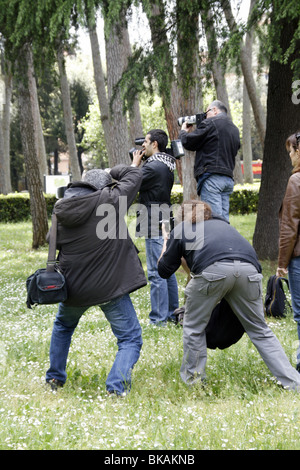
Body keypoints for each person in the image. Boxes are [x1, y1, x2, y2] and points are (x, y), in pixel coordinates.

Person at [157, 199, 300, 392]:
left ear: (183, 217)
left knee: (194, 328)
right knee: (260, 331)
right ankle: (294, 383)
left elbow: (164, 270)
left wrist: (166, 242)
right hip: (250, 270)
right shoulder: (223, 224)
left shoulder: (183, 229)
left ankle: (195, 383)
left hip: (213, 271)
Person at [45, 165, 147, 396]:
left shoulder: (62, 208)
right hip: (109, 286)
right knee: (130, 338)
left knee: (63, 327)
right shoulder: (110, 201)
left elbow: (51, 240)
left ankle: (54, 379)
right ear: (103, 187)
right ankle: (116, 387)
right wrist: (113, 169)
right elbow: (135, 174)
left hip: (74, 287)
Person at [132, 129, 179, 325]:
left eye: (146, 142)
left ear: (155, 145)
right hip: (164, 217)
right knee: (167, 268)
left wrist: (134, 165)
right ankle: (172, 314)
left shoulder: (153, 168)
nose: (142, 145)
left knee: (156, 271)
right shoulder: (166, 164)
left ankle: (159, 319)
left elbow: (131, 181)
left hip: (153, 220)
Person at [179, 100, 240, 221]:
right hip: (227, 179)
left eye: (206, 113)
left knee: (213, 220)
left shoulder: (211, 122)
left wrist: (183, 132)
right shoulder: (234, 129)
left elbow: (189, 142)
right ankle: (225, 240)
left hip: (212, 177)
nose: (205, 116)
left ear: (215, 110)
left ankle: (217, 240)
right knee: (223, 221)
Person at [276, 131, 300, 372]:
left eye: (291, 152)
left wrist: (282, 263)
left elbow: (290, 226)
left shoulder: (296, 181)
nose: (290, 157)